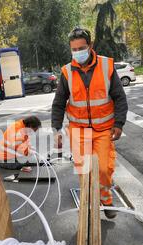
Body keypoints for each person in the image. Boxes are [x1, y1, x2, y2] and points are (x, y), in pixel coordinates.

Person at [51, 27, 129, 219]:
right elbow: (59, 102)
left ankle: (106, 199)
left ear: (90, 46)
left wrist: (118, 123)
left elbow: (119, 97)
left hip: (103, 129)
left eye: (82, 48)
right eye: (74, 49)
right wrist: (56, 129)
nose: (78, 52)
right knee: (84, 171)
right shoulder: (67, 72)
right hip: (79, 130)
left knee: (103, 168)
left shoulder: (106, 66)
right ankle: (88, 203)